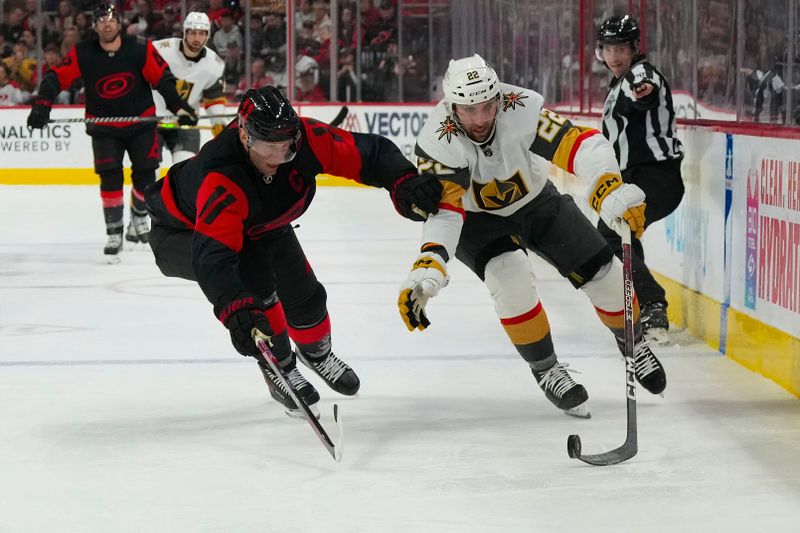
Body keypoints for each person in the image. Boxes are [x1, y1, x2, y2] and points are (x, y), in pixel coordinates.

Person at [144, 86, 443, 417]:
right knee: (253, 278)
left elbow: (370, 153)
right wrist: (234, 307)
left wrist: (402, 180)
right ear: (244, 136)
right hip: (181, 234)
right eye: (265, 147)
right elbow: (214, 259)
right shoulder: (222, 177)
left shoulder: (307, 138)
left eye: (285, 148)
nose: (276, 158)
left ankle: (316, 354)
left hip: (262, 225)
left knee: (307, 297)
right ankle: (280, 366)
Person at [398, 54, 668, 419]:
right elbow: (446, 211)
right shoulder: (436, 138)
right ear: (451, 106)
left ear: (498, 97)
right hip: (479, 222)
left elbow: (580, 144)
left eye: (486, 107)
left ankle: (631, 341)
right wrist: (431, 260)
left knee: (607, 277)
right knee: (510, 280)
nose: (479, 120)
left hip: (538, 202)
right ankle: (546, 368)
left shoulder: (519, 105)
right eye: (468, 110)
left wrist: (606, 184)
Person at [26, 3, 197, 259]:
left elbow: (162, 78)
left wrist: (178, 106)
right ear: (95, 26)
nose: (107, 24)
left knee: (146, 174)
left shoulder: (139, 47)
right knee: (110, 177)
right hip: (104, 126)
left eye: (111, 19)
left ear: (119, 23)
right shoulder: (83, 53)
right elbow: (55, 77)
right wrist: (42, 105)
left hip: (141, 123)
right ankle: (114, 231)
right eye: (101, 20)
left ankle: (138, 217)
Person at [595, 15, 685, 344]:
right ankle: (648, 306)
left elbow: (644, 86)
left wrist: (642, 91)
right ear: (599, 52)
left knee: (608, 235)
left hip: (656, 176)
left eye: (622, 48)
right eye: (609, 48)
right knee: (620, 237)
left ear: (635, 49)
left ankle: (652, 305)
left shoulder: (638, 73)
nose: (615, 55)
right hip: (637, 179)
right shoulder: (617, 84)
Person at [152, 12, 227, 166]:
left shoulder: (215, 65)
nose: (196, 38)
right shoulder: (161, 50)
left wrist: (218, 121)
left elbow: (213, 98)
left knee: (184, 171)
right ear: (184, 33)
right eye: (192, 32)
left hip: (186, 121)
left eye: (201, 33)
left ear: (208, 36)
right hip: (152, 120)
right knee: (149, 172)